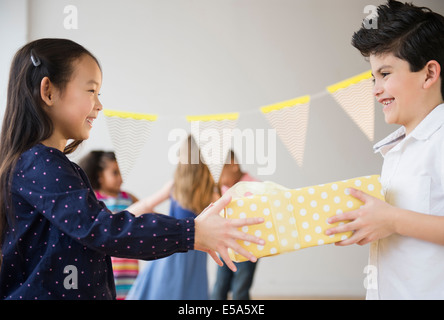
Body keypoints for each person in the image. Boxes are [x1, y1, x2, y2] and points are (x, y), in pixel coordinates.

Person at [0, 38, 264, 300]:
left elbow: (98, 229)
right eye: (91, 91)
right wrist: (191, 232)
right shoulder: (40, 165)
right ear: (48, 91)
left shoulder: (49, 166)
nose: (100, 105)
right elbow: (103, 229)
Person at [325, 0, 444, 299]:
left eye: (386, 74)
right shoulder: (397, 150)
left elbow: (397, 221)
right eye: (373, 77)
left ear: (429, 74)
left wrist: (391, 220)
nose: (375, 89)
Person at [127, 135, 218, 300]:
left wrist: (120, 218)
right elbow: (221, 219)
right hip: (196, 249)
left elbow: (146, 205)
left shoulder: (175, 186)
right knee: (190, 291)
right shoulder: (211, 190)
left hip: (172, 244)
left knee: (164, 288)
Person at [78, 151, 141, 300]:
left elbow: (149, 214)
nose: (120, 178)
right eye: (115, 173)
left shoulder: (128, 197)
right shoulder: (93, 199)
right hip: (107, 268)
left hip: (129, 268)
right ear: (100, 176)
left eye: (121, 173)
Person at [211, 150, 259, 300]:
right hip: (226, 244)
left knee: (240, 287)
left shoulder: (253, 186)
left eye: (220, 173)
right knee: (220, 285)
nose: (218, 179)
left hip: (247, 245)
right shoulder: (223, 189)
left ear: (233, 165)